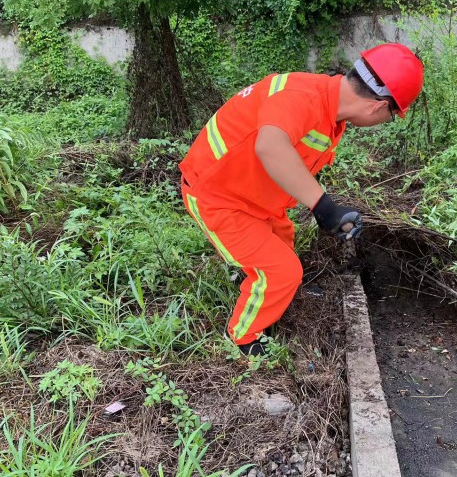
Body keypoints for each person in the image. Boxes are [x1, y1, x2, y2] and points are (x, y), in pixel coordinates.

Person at [179, 43, 424, 356]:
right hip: (217, 196)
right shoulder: (301, 96)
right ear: (378, 106)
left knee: (285, 246)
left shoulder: (329, 108)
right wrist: (323, 207)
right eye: (392, 115)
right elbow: (270, 147)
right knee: (282, 271)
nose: (384, 121)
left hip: (254, 197)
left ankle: (270, 290)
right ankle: (243, 339)